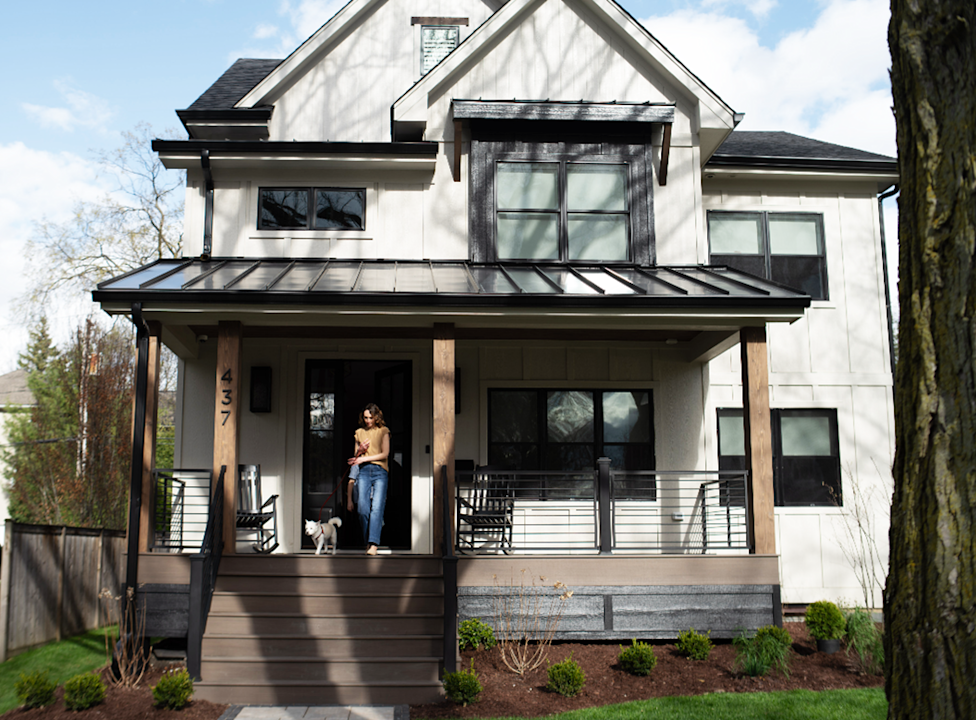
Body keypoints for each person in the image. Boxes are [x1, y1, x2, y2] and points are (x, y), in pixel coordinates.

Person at [346, 403, 390, 555]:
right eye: (365, 418)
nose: (368, 421)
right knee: (362, 509)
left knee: (377, 508)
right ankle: (368, 541)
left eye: (371, 418)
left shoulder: (384, 431)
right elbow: (356, 457)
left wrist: (366, 458)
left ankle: (373, 544)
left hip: (380, 472)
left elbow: (385, 454)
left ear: (376, 417)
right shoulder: (358, 433)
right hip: (363, 472)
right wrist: (360, 451)